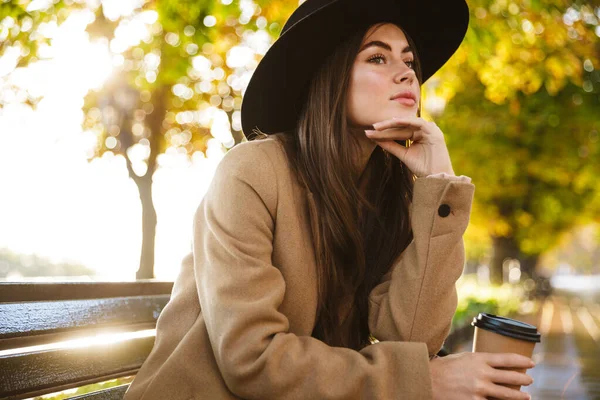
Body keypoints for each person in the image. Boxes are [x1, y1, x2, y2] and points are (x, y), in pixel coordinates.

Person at [124, 0, 535, 398]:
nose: (406, 74)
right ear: (330, 74)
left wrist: (440, 187)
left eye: (409, 62)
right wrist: (425, 382)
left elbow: (412, 340)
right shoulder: (251, 171)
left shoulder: (388, 196)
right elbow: (252, 359)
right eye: (378, 58)